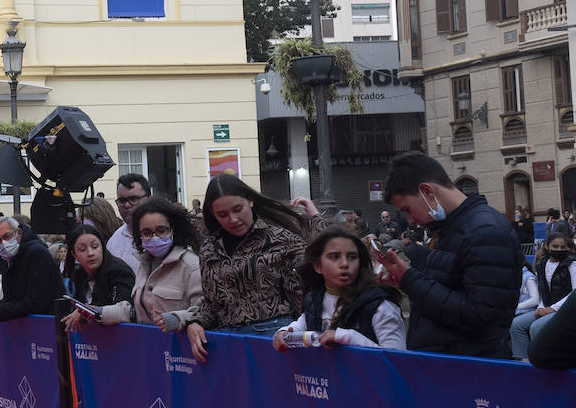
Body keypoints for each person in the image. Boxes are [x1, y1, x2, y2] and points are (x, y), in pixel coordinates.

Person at [380, 152, 522, 358]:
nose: (410, 221)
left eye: (408, 209)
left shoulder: (485, 232)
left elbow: (478, 316)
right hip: (451, 364)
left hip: (467, 369)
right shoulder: (454, 229)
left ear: (427, 191)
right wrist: (405, 280)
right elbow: (445, 291)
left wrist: (410, 280)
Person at [185, 175, 316, 363]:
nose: (233, 219)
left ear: (251, 201)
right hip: (226, 341)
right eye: (222, 215)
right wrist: (195, 322)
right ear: (213, 215)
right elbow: (212, 301)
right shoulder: (209, 248)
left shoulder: (282, 238)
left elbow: (310, 287)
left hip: (274, 335)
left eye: (238, 209)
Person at [274, 227, 405, 351]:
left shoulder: (381, 305)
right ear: (318, 266)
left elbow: (396, 361)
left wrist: (349, 337)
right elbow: (300, 326)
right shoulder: (315, 298)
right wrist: (284, 332)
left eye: (352, 257)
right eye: (335, 257)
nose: (344, 264)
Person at [102, 198, 203, 332]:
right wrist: (98, 313)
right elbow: (139, 314)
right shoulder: (144, 265)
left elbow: (206, 312)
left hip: (180, 349)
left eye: (161, 230)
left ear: (173, 229)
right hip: (151, 346)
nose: (154, 238)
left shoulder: (191, 266)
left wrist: (177, 319)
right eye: (147, 233)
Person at [0, 216, 64, 328]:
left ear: (19, 233)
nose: (3, 243)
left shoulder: (37, 253)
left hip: (47, 328)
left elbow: (36, 302)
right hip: (27, 329)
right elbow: (12, 299)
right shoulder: (7, 259)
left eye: (7, 236)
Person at [60, 224, 135, 332]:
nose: (90, 253)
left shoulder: (120, 271)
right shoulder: (79, 274)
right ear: (74, 255)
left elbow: (124, 311)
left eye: (95, 247)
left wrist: (85, 311)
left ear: (103, 247)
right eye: (82, 249)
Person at [511, 229, 571, 360]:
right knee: (516, 325)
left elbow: (574, 293)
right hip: (547, 307)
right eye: (555, 246)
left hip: (566, 308)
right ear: (547, 246)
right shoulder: (542, 264)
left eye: (562, 247)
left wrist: (551, 309)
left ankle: (543, 361)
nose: (559, 250)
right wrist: (541, 307)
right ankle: (524, 361)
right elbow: (543, 289)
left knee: (536, 328)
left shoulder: (572, 264)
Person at [106, 173, 152, 273]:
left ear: (148, 199)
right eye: (121, 200)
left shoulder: (165, 238)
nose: (127, 205)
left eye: (133, 199)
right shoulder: (114, 242)